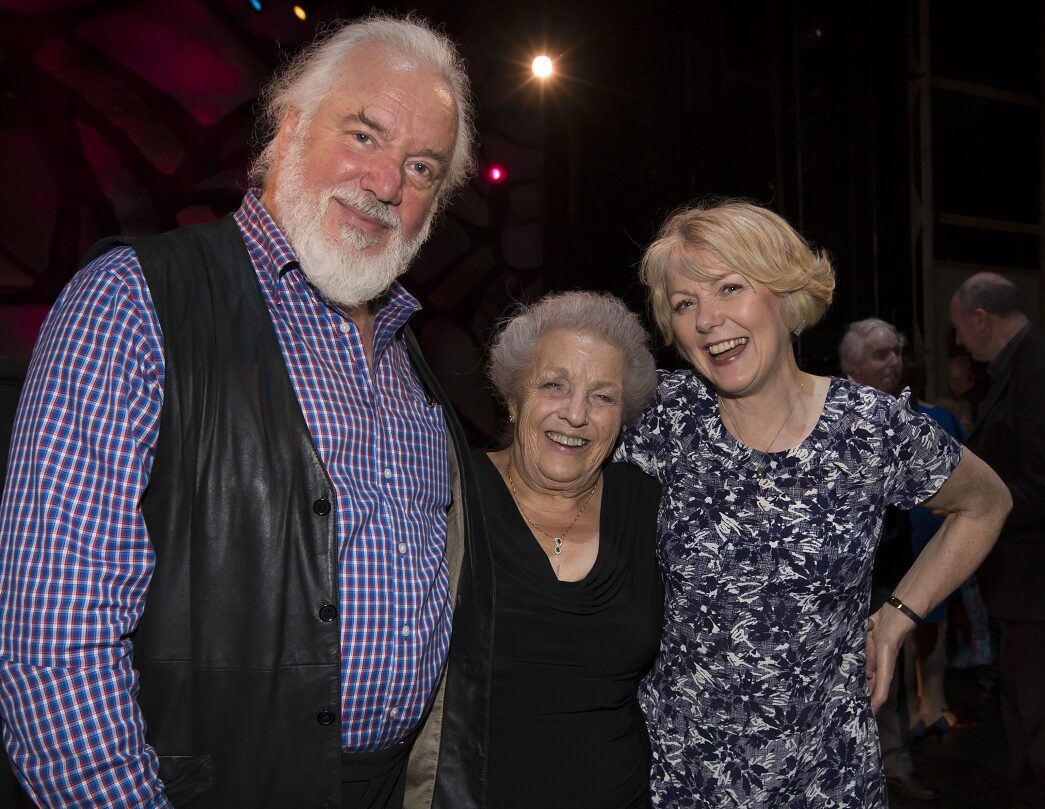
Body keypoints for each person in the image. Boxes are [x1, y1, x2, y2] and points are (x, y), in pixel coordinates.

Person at [0, 15, 488, 809]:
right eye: (363, 135)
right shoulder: (135, 301)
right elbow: (54, 641)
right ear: (290, 125)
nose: (386, 184)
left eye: (421, 166)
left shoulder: (410, 361)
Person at [617, 199, 1011, 807]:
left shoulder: (867, 428)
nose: (707, 321)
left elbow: (987, 503)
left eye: (729, 287)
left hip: (829, 777)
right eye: (684, 304)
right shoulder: (664, 419)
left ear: (783, 292)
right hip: (685, 779)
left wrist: (899, 616)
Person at [472, 290, 661, 808]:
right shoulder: (450, 494)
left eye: (603, 397)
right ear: (512, 398)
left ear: (623, 417)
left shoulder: (647, 506)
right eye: (554, 385)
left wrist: (892, 617)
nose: (576, 415)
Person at [950, 271, 1045, 808]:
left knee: (1035, 718)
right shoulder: (1017, 367)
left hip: (1036, 586)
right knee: (1021, 712)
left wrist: (979, 507)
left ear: (982, 319)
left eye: (960, 328)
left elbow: (1041, 480)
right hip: (1021, 589)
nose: (959, 341)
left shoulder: (1034, 369)